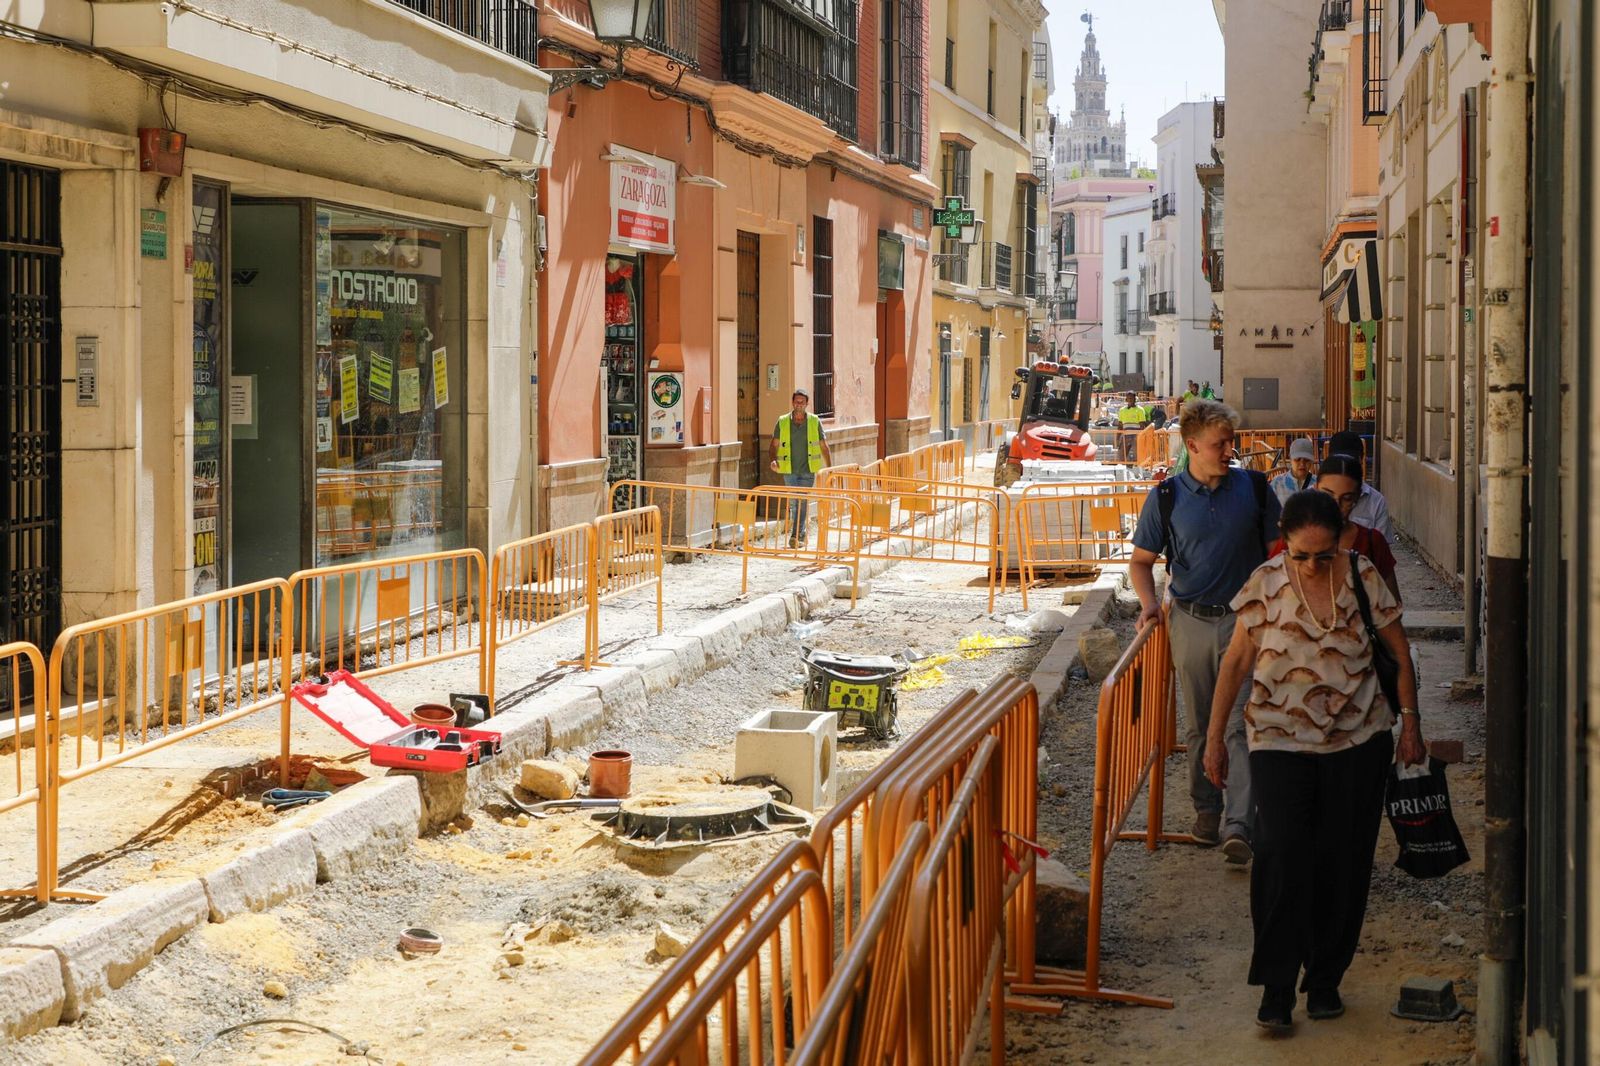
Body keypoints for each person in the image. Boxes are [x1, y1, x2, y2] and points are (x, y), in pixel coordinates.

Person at [1206, 490, 1424, 1032]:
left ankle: (1325, 979)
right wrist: (1213, 739)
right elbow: (1235, 663)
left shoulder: (1362, 574)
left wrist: (1412, 725)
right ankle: (1276, 987)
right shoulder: (1265, 581)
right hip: (1279, 741)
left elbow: (1398, 652)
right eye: (1299, 555)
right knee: (1279, 855)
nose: (1309, 566)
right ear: (1284, 542)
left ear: (1340, 541)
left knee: (1344, 862)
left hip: (1359, 740)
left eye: (1320, 556)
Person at [1130, 399, 1281, 863]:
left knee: (1240, 723)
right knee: (1199, 726)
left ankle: (1239, 824)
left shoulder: (1255, 490)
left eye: (1231, 441)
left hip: (1245, 622)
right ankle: (1206, 812)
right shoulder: (1167, 497)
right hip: (1190, 621)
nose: (1229, 451)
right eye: (1220, 444)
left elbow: (1277, 553)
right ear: (1192, 445)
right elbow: (1141, 563)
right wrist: (1151, 605)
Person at [1270, 454, 1402, 606]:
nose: (1335, 505)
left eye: (1346, 498)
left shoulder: (1372, 542)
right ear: (1315, 489)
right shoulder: (1293, 538)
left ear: (1358, 497)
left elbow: (1393, 607)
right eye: (1328, 495)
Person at [768, 389, 832, 547]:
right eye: (796, 401)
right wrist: (773, 460)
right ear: (792, 403)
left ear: (807, 404)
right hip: (788, 469)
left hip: (808, 470)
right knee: (795, 502)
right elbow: (773, 445)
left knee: (801, 500)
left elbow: (824, 446)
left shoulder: (814, 421)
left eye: (802, 402)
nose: (799, 404)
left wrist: (829, 468)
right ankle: (801, 534)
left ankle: (796, 535)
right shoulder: (782, 421)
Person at [1325, 430, 1393, 541]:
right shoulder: (1312, 499)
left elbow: (1382, 549)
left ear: (1361, 460)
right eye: (1339, 461)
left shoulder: (1376, 502)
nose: (1344, 466)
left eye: (1350, 461)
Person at [1270, 438, 1318, 505]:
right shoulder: (1277, 483)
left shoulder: (1318, 483)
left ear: (1311, 461)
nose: (1302, 464)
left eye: (1306, 460)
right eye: (1297, 459)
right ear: (1290, 458)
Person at [1117, 391, 1147, 460]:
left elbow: (1142, 425)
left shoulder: (1140, 410)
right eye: (1128, 398)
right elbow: (1120, 425)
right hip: (1126, 436)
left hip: (1136, 436)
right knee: (1121, 456)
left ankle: (1138, 469)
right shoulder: (1122, 410)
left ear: (1135, 399)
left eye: (1131, 398)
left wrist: (1141, 437)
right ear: (1126, 399)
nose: (1130, 400)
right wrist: (1118, 438)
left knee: (1138, 457)